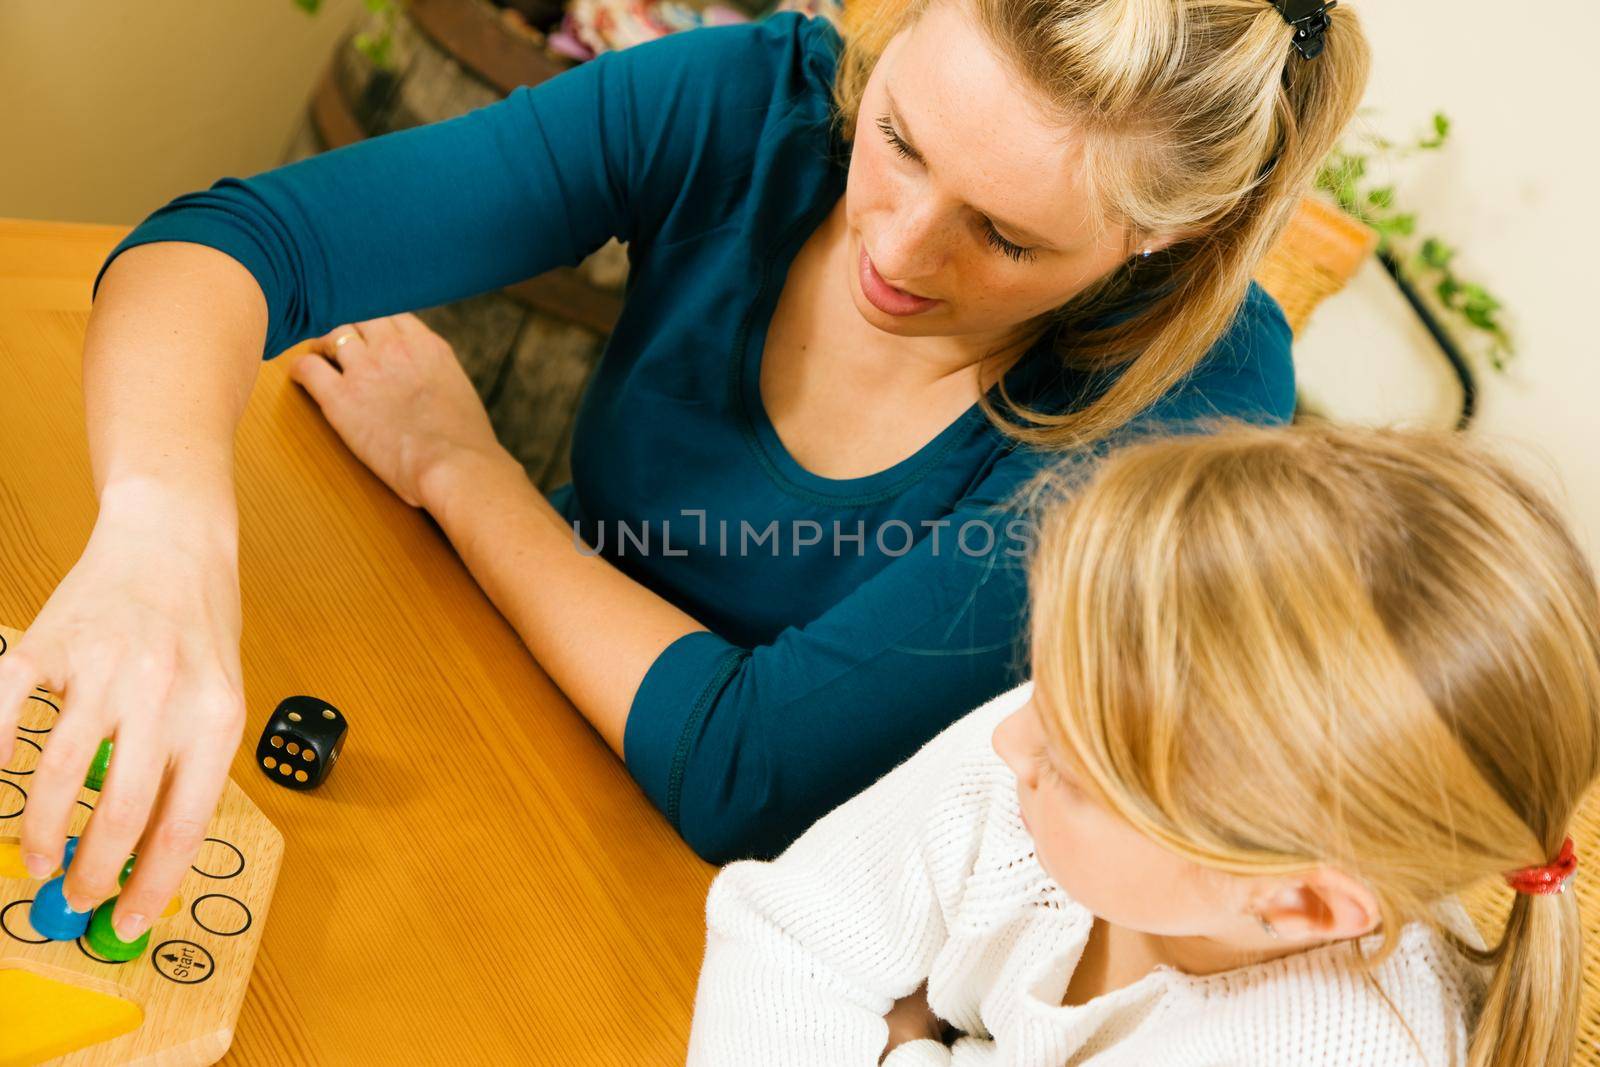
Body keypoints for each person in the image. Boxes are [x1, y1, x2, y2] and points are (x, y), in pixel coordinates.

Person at [0, 0, 1369, 943]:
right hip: (545, 752)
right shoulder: (756, 99)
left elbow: (753, 769)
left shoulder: (1188, 406)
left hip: (776, 937)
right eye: (898, 139)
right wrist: (159, 535)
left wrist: (456, 464)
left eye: (1007, 239)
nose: (899, 247)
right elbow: (237, 243)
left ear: (1165, 242)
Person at [688, 423, 1600, 1067]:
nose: (1011, 739)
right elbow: (786, 933)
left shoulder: (1323, 1045)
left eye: (1078, 772)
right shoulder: (1091, 721)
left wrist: (912, 1038)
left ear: (1302, 903)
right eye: (1042, 684)